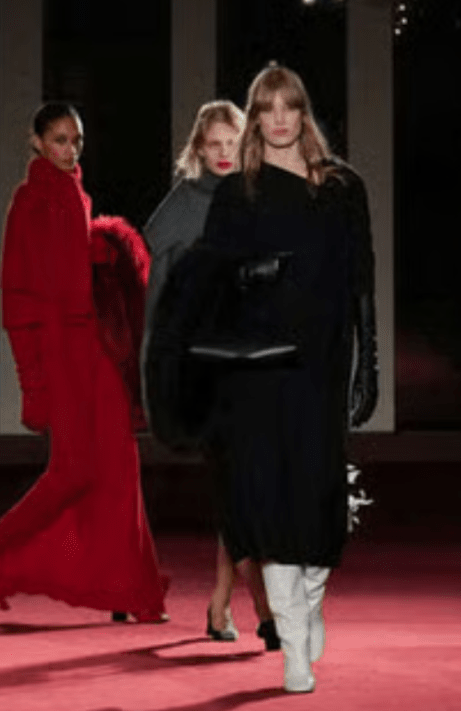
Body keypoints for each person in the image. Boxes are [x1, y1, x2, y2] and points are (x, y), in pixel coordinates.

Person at [160, 64, 378, 693]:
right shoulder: (238, 193)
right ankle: (292, 642)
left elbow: (361, 281)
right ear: (254, 117)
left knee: (318, 497)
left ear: (304, 113)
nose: (279, 119)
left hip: (323, 363)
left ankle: (309, 601)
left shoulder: (343, 188)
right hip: (258, 368)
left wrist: (369, 362)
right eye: (266, 108)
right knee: (271, 498)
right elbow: (210, 283)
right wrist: (244, 278)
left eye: (290, 106)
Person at [0, 102, 168, 623]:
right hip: (59, 352)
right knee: (74, 470)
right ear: (36, 142)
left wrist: (99, 252)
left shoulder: (78, 194)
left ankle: (132, 591)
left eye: (76, 140)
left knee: (121, 465)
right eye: (59, 140)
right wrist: (30, 380)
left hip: (93, 348)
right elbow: (17, 300)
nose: (69, 149)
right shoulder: (28, 201)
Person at [141, 100, 274, 647]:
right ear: (198, 148)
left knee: (240, 489)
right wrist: (157, 370)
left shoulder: (257, 200)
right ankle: (263, 610)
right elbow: (155, 297)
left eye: (232, 143)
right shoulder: (181, 205)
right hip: (200, 368)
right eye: (213, 144)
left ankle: (222, 604)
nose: (223, 153)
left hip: (252, 362)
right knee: (234, 484)